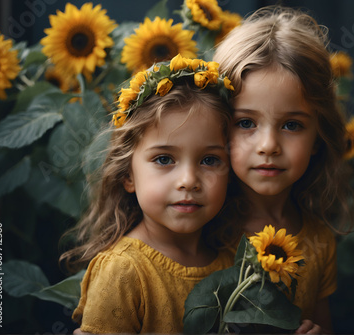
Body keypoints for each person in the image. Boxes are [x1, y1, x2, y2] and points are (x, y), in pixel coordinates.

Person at [60, 55, 236, 334]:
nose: (189, 181)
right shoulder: (123, 272)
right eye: (165, 159)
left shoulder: (234, 261)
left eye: (210, 160)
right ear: (128, 175)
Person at [213, 6, 353, 334]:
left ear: (318, 136)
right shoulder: (200, 231)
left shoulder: (318, 240)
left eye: (291, 125)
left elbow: (323, 323)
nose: (269, 145)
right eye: (246, 122)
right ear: (218, 128)